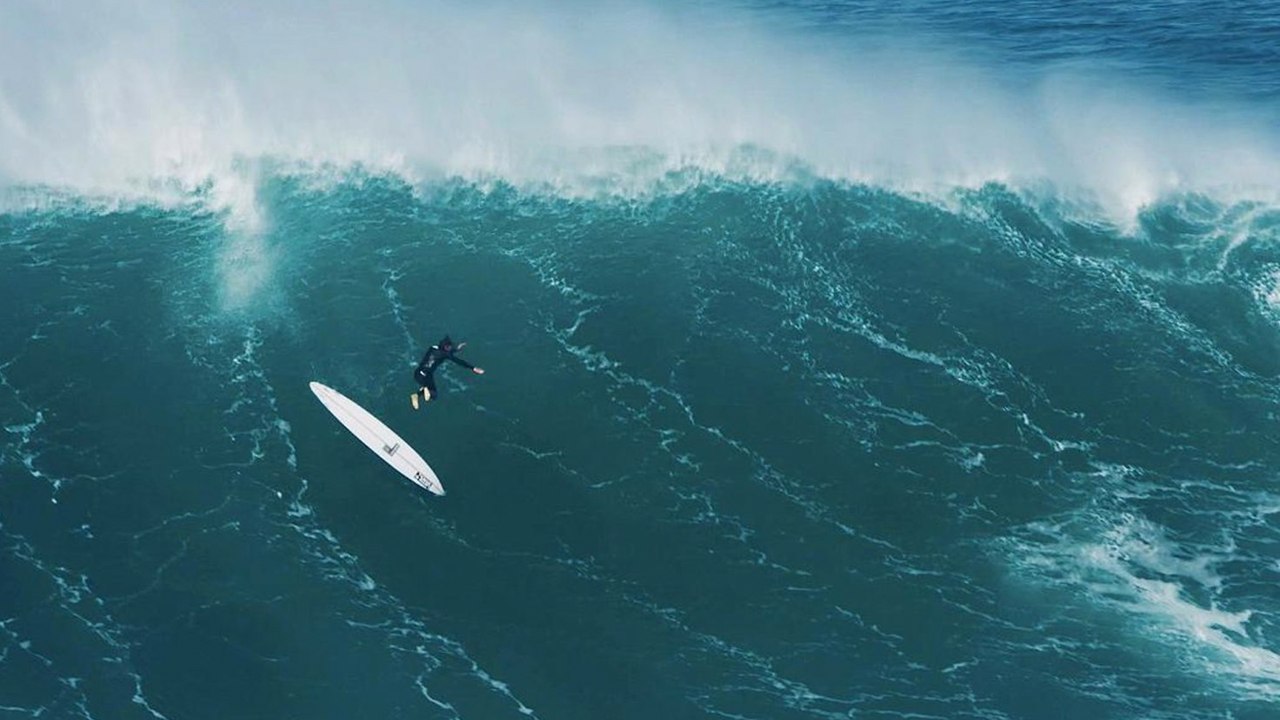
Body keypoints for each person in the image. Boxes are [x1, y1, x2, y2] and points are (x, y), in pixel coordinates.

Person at [411, 335, 484, 409]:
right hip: (425, 377)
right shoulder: (446, 354)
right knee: (433, 394)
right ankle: (425, 389)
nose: (450, 347)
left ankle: (417, 395)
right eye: (449, 346)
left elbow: (444, 352)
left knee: (432, 393)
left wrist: (456, 349)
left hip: (418, 373)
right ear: (445, 347)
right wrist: (473, 368)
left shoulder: (432, 348)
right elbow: (459, 361)